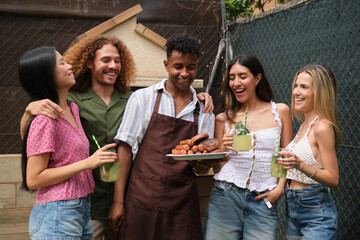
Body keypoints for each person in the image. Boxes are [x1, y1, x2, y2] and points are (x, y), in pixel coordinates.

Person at [20, 35, 214, 240]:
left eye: (117, 60)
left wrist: (200, 98)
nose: (113, 66)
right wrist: (29, 110)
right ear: (89, 63)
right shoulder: (64, 105)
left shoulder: (77, 107)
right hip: (83, 204)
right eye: (105, 60)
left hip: (102, 200)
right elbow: (32, 142)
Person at [113, 33, 217, 240]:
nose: (185, 73)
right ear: (166, 65)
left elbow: (203, 165)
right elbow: (124, 149)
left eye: (191, 67)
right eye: (178, 66)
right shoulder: (142, 98)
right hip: (141, 198)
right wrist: (118, 202)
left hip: (182, 204)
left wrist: (201, 163)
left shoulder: (203, 110)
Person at [19, 46, 118, 240]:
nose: (70, 66)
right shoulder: (45, 119)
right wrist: (88, 163)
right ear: (46, 74)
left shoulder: (73, 109)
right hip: (58, 212)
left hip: (80, 208)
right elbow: (34, 178)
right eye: (62, 62)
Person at [203, 54, 293, 240]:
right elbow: (216, 166)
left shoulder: (280, 112)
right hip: (225, 195)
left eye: (242, 76)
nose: (236, 82)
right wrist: (223, 152)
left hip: (264, 199)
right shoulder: (223, 118)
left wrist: (280, 188)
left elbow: (285, 153)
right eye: (232, 77)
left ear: (257, 78)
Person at [278, 65, 341, 239]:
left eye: (304, 87)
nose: (296, 92)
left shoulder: (322, 126)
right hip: (292, 207)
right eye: (296, 86)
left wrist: (300, 165)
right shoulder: (304, 125)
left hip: (315, 211)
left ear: (320, 92)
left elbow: (333, 178)